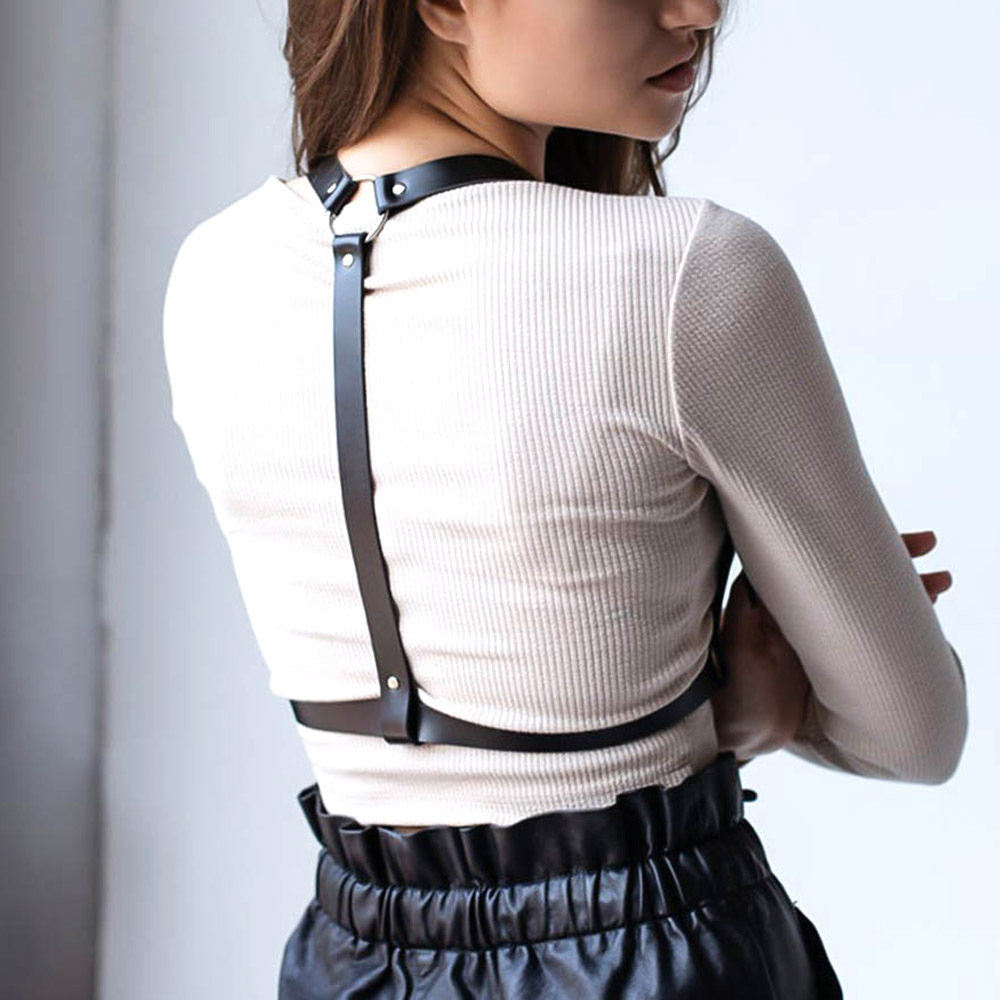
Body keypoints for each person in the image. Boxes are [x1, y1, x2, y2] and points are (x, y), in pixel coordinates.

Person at [161, 0, 968, 996]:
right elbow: (916, 734)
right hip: (653, 962)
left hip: (346, 963)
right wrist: (762, 709)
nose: (700, 11)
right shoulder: (685, 276)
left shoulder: (213, 273)